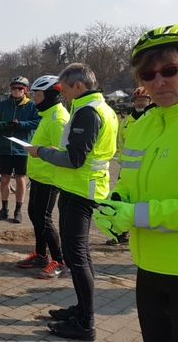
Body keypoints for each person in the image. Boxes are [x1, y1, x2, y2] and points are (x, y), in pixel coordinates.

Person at [92, 24, 178, 341]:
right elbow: (128, 180)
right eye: (148, 75)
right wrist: (115, 204)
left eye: (170, 70)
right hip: (148, 266)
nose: (159, 80)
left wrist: (136, 215)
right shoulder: (143, 125)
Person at [26, 63, 118, 340]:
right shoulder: (99, 108)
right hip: (80, 188)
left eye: (64, 88)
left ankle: (85, 323)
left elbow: (74, 159)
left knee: (76, 257)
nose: (62, 94)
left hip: (80, 190)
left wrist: (41, 152)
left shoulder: (88, 112)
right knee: (81, 255)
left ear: (78, 86)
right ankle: (81, 309)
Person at [15, 75, 69, 279]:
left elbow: (60, 153)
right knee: (34, 214)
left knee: (44, 219)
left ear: (50, 95)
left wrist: (39, 150)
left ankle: (60, 260)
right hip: (39, 176)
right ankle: (40, 255)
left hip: (49, 179)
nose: (34, 98)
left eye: (37, 94)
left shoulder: (58, 119)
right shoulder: (48, 115)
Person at [107, 86, 155, 246]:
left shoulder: (153, 119)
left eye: (144, 100)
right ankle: (121, 232)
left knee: (142, 202)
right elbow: (120, 139)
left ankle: (142, 232)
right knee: (123, 201)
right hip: (127, 169)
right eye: (138, 100)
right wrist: (122, 159)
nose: (140, 102)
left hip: (147, 170)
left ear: (149, 101)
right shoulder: (127, 120)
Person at [0, 76, 40, 223]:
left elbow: (37, 122)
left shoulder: (32, 106)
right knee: (4, 179)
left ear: (26, 90)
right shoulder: (1, 105)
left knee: (20, 178)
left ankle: (18, 210)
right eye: (14, 88)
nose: (16, 91)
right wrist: (5, 124)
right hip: (5, 148)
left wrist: (21, 124)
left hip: (22, 148)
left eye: (20, 88)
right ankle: (4, 209)